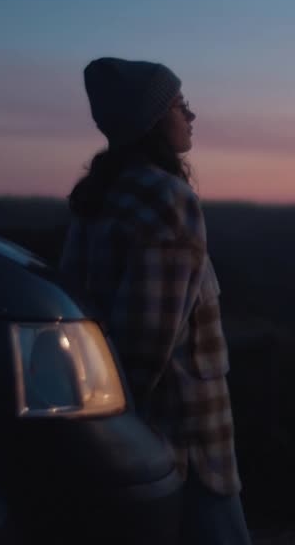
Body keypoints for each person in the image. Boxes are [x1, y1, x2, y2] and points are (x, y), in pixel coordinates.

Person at [60, 57, 251, 545]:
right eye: (178, 105)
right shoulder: (165, 197)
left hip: (133, 438)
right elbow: (144, 340)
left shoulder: (102, 193)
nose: (191, 116)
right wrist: (126, 431)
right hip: (182, 440)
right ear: (150, 122)